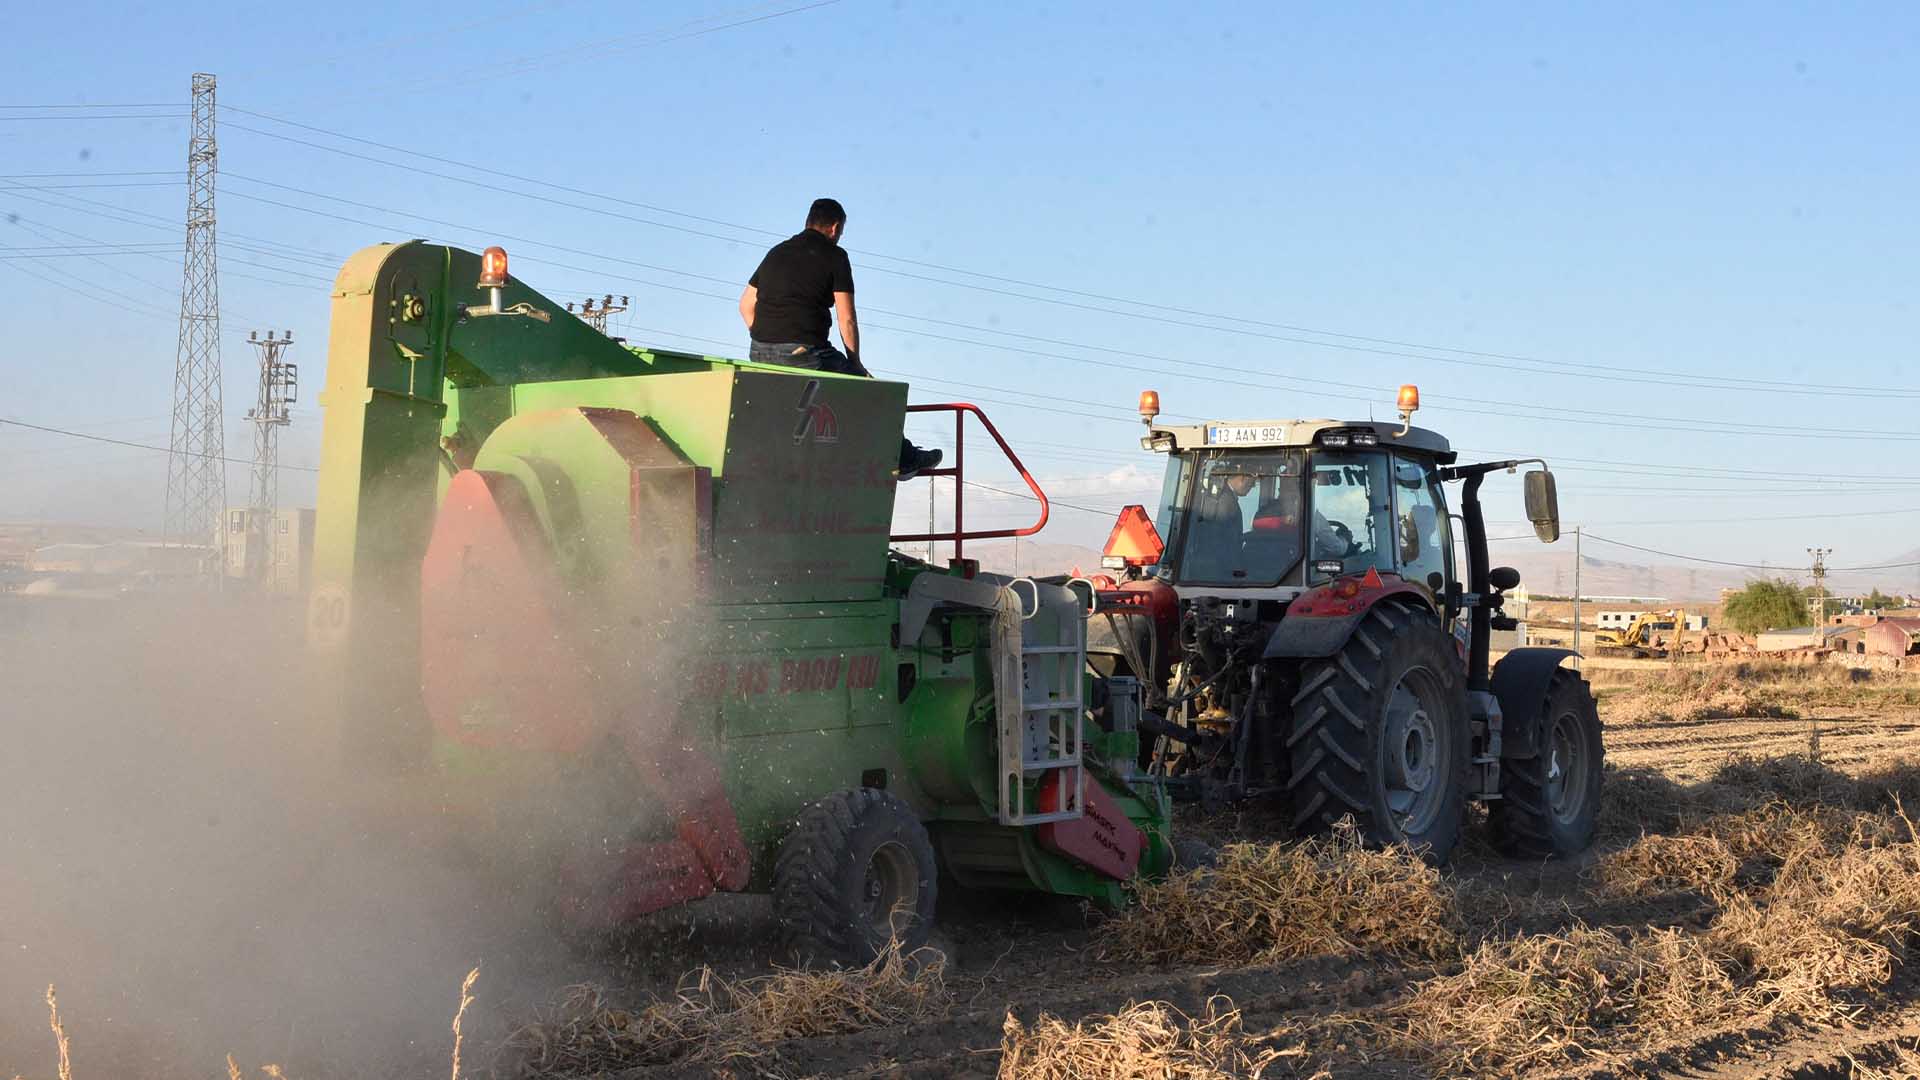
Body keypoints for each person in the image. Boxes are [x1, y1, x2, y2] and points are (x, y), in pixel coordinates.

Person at [739, 198, 943, 479]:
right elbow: (846, 318)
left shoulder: (776, 253)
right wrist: (856, 364)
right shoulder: (835, 256)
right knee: (872, 393)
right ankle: (905, 459)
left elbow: (745, 305)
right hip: (804, 353)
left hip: (759, 353)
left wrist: (769, 339)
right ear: (835, 228)